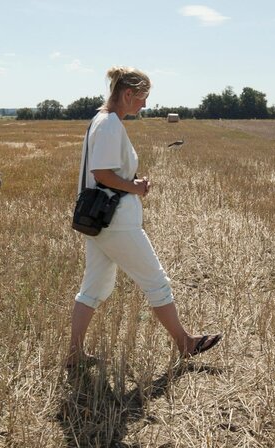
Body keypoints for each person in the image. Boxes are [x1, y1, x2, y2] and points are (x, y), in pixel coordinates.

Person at [66, 66, 222, 368]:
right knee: (157, 282)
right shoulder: (110, 124)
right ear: (127, 94)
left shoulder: (98, 120)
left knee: (94, 287)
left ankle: (74, 353)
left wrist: (130, 183)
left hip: (99, 221)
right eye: (143, 97)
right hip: (115, 222)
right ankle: (185, 343)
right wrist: (135, 186)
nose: (145, 105)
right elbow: (102, 174)